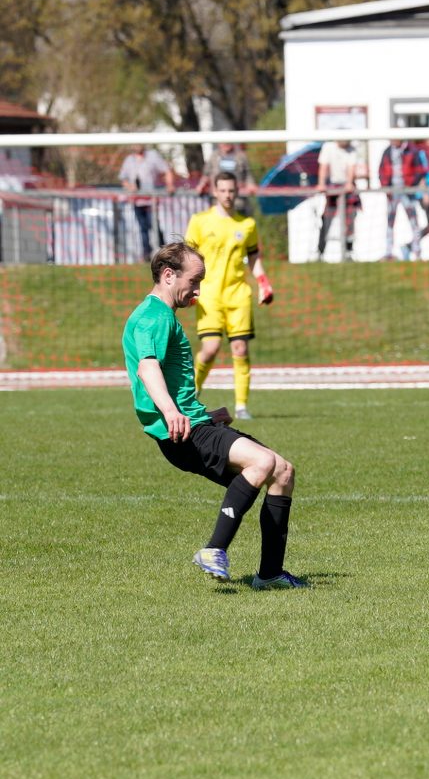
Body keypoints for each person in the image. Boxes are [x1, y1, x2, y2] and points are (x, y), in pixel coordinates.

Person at [121, 241, 305, 588]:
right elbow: (147, 369)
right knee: (262, 463)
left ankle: (270, 574)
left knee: (283, 471)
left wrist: (206, 414)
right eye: (194, 280)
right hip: (182, 431)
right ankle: (214, 549)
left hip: (196, 423)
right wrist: (172, 411)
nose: (198, 290)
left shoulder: (160, 315)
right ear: (168, 275)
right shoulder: (153, 316)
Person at [185, 172, 274, 421]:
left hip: (238, 295)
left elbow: (254, 257)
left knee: (240, 348)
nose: (227, 195)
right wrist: (188, 287)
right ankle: (191, 393)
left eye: (231, 190)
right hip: (209, 294)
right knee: (210, 349)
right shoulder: (200, 221)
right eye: (222, 190)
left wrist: (263, 283)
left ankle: (242, 406)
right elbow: (187, 257)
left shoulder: (246, 225)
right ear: (215, 191)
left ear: (237, 191)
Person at [119, 145, 175, 260]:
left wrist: (169, 185)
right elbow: (123, 178)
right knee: (142, 229)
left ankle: (165, 253)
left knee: (154, 226)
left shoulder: (152, 156)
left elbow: (167, 170)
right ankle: (146, 255)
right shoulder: (129, 160)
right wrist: (130, 186)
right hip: (136, 201)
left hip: (151, 200)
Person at [378, 139, 427, 260]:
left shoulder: (412, 151)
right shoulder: (387, 152)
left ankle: (417, 252)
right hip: (392, 192)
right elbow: (381, 171)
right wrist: (385, 186)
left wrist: (411, 185)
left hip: (407, 192)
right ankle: (388, 252)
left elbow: (419, 170)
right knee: (390, 222)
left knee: (414, 221)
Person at [316, 139, 362, 260]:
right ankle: (320, 252)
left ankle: (349, 251)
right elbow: (324, 166)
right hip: (333, 187)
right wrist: (321, 184)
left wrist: (349, 183)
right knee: (326, 220)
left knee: (350, 220)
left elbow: (351, 168)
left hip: (347, 189)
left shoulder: (352, 149)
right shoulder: (328, 147)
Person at [197, 143, 257, 214]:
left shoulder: (241, 156)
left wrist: (251, 184)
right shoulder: (214, 156)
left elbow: (248, 174)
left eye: (228, 142)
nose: (226, 144)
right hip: (217, 200)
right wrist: (201, 185)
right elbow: (206, 174)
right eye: (223, 142)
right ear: (219, 144)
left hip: (238, 200)